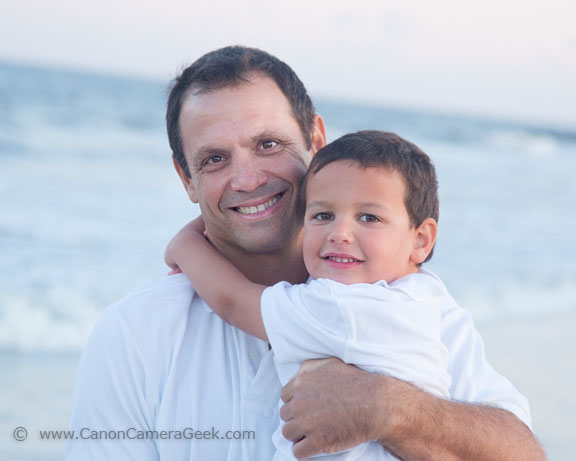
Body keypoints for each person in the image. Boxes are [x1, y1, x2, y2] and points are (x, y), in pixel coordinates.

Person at [67, 46, 544, 460]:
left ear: (316, 141)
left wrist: (392, 410)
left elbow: (524, 454)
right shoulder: (134, 333)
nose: (248, 179)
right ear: (186, 179)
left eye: (268, 144)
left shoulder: (419, 305)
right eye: (215, 160)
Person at [164, 130, 457, 460]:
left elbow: (233, 301)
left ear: (421, 240)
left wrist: (185, 244)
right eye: (323, 215)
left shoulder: (340, 306)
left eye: (369, 217)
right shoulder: (426, 296)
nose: (340, 233)